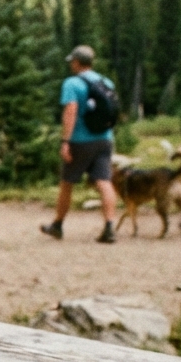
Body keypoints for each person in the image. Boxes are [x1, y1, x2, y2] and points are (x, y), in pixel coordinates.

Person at [42, 45, 119, 243]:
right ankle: (110, 226)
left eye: (72, 61)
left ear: (76, 62)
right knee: (104, 182)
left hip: (80, 141)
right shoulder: (105, 81)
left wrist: (65, 141)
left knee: (67, 183)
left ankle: (57, 225)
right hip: (105, 138)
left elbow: (71, 111)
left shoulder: (72, 83)